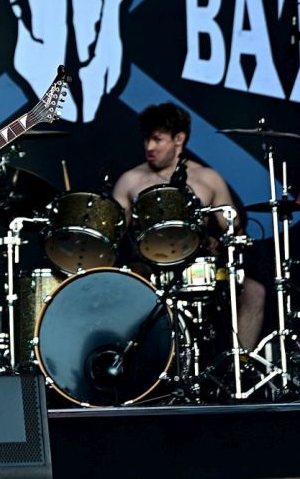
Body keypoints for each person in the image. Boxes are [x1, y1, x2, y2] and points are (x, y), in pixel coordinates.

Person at [112, 103, 267, 351]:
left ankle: (239, 365)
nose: (149, 147)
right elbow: (113, 235)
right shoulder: (130, 180)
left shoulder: (207, 178)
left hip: (199, 269)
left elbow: (233, 229)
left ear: (179, 139)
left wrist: (220, 241)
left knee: (254, 293)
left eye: (157, 140)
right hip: (149, 270)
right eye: (147, 139)